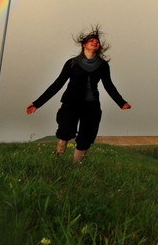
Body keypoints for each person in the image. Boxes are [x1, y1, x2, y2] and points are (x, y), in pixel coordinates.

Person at [26, 26, 131, 163]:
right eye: (91, 40)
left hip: (91, 105)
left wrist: (121, 102)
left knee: (87, 136)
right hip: (71, 103)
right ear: (84, 44)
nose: (95, 42)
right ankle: (58, 154)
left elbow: (109, 85)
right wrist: (37, 104)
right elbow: (58, 84)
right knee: (65, 131)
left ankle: (76, 166)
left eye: (97, 42)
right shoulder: (72, 63)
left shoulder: (103, 65)